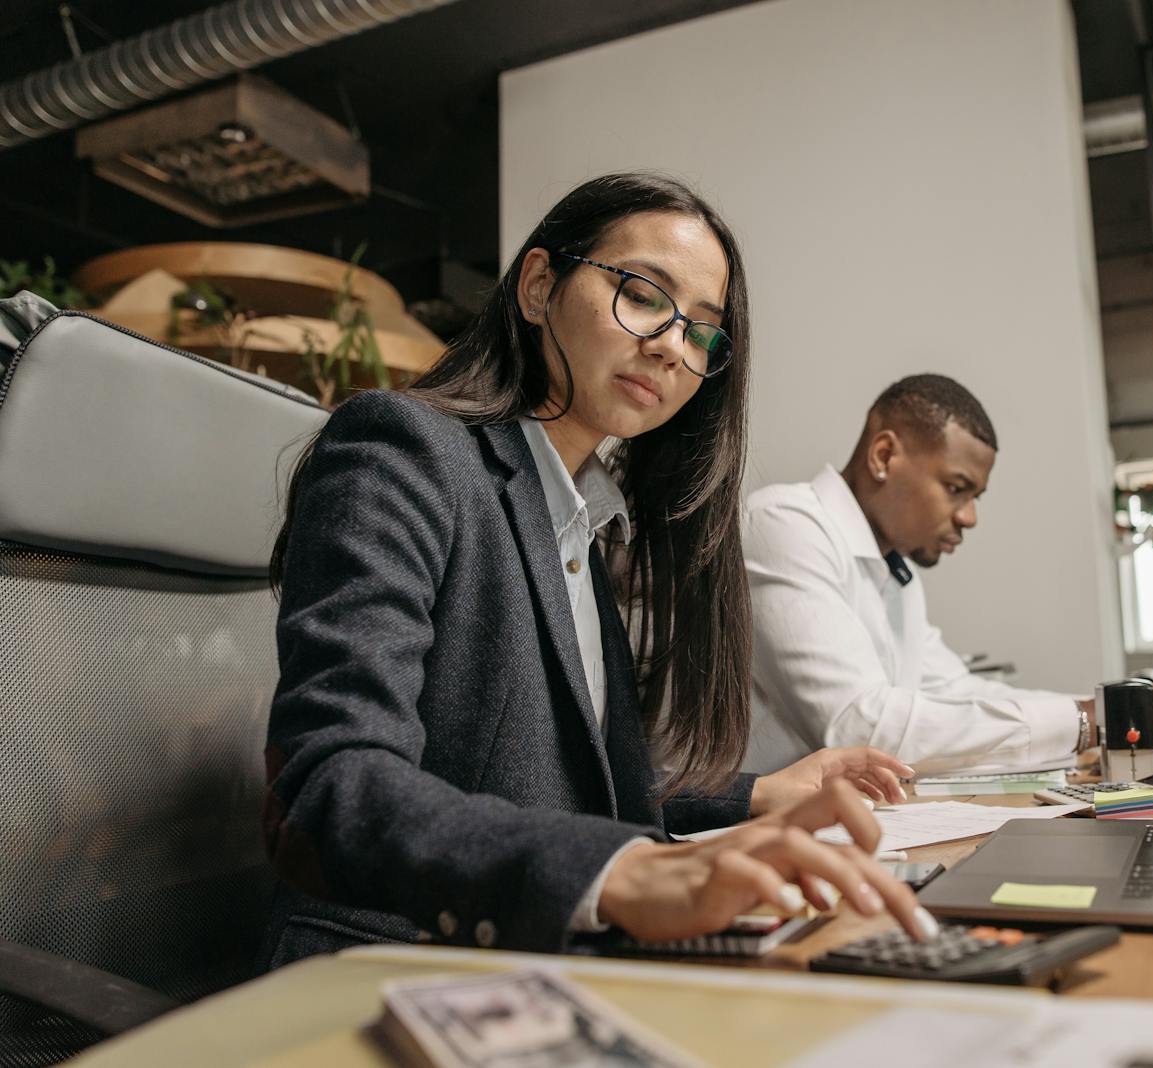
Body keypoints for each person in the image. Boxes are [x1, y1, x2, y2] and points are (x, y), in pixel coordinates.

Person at [260, 173, 934, 969]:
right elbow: (335, 784)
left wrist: (757, 795)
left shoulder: (588, 516)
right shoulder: (402, 452)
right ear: (541, 285)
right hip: (396, 965)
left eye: (702, 332)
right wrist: (620, 871)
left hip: (541, 959)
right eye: (645, 294)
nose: (671, 347)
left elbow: (557, 783)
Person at [742, 374, 1095, 776]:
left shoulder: (896, 572)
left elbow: (958, 692)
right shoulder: (785, 525)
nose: (969, 517)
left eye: (974, 497)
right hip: (729, 830)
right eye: (956, 488)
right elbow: (858, 728)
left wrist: (1107, 709)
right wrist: (1086, 721)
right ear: (884, 455)